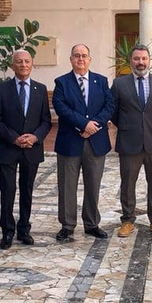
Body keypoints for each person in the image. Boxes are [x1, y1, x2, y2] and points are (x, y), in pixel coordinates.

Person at [52, 44, 114, 242]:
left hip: (96, 141)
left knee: (93, 185)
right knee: (67, 186)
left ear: (90, 59)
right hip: (70, 141)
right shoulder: (62, 82)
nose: (80, 59)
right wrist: (83, 124)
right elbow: (60, 107)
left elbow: (109, 105)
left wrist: (93, 125)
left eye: (84, 56)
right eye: (77, 56)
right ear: (71, 59)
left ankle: (92, 223)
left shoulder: (101, 81)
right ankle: (67, 225)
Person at [0, 49, 52, 249]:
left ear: (32, 64)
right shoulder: (2, 89)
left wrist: (35, 137)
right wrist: (14, 138)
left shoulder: (40, 89)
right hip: (9, 148)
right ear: (12, 65)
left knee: (27, 190)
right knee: (7, 190)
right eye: (19, 62)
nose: (23, 65)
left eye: (27, 61)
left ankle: (24, 228)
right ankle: (7, 231)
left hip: (32, 148)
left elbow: (45, 120)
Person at [111, 44, 152, 238]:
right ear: (130, 61)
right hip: (129, 142)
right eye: (137, 59)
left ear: (149, 60)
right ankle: (128, 220)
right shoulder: (119, 84)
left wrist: (151, 125)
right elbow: (113, 112)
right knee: (128, 183)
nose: (140, 62)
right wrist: (130, 125)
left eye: (144, 59)